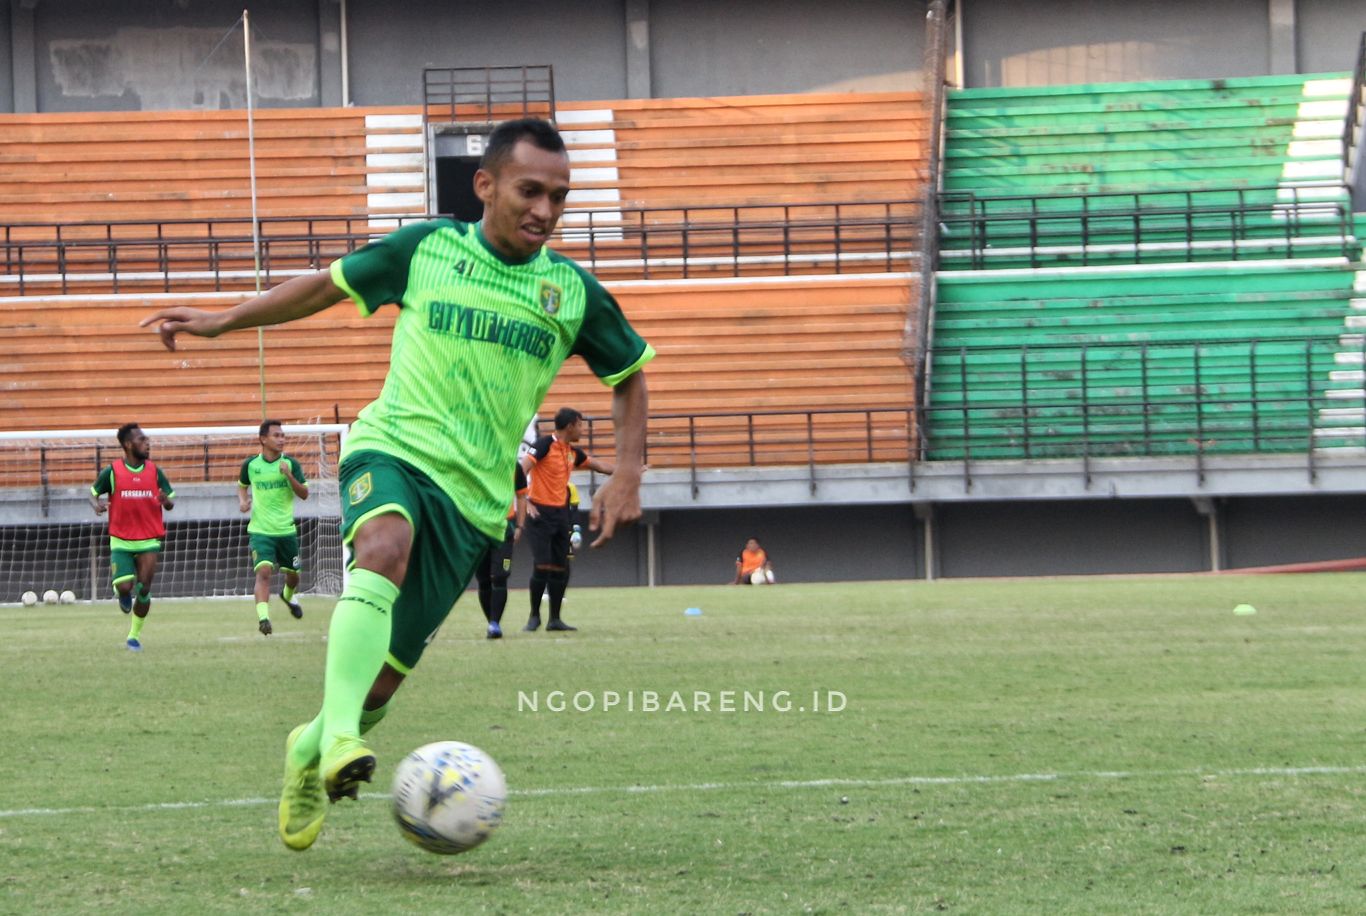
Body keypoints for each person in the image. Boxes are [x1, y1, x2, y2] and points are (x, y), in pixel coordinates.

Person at [139, 116, 653, 852]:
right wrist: (222, 321)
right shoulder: (426, 249)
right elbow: (323, 287)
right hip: (393, 447)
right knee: (380, 546)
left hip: (474, 502)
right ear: (486, 185)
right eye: (529, 190)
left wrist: (628, 471)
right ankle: (341, 739)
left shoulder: (570, 292)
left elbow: (630, 372)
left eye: (559, 196)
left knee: (382, 683)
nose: (545, 209)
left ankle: (312, 746)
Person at [520, 407, 614, 632]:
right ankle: (534, 617)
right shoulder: (543, 445)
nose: (582, 429)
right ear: (570, 425)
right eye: (580, 424)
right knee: (542, 566)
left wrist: (626, 471)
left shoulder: (571, 452)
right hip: (540, 513)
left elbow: (599, 466)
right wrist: (527, 501)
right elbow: (521, 469)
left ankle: (555, 619)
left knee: (561, 567)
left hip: (560, 514)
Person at [89, 423, 175, 651]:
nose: (147, 443)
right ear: (128, 445)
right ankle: (121, 592)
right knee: (126, 586)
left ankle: (133, 636)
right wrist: (97, 505)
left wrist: (166, 501)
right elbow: (93, 493)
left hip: (149, 538)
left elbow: (170, 503)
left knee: (144, 589)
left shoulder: (154, 471)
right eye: (142, 440)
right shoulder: (113, 471)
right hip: (121, 539)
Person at [239, 419, 310, 636]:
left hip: (286, 531)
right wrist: (243, 501)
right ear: (263, 439)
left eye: (282, 435)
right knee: (264, 571)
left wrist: (288, 475)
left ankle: (288, 595)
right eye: (276, 435)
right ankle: (264, 619)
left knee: (294, 576)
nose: (282, 439)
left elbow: (305, 494)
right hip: (261, 530)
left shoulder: (292, 464)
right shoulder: (251, 465)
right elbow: (242, 486)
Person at [473, 463, 528, 639]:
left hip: (505, 530)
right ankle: (491, 622)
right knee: (483, 579)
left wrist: (520, 525)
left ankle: (495, 623)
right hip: (480, 528)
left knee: (500, 576)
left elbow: (521, 496)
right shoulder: (477, 462)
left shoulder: (514, 467)